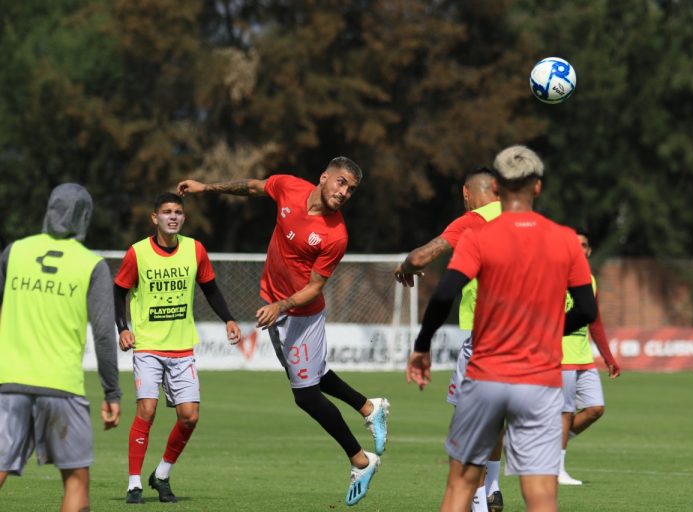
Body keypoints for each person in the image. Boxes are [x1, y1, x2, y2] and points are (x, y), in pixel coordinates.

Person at [177, 156, 390, 507]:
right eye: (341, 183)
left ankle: (361, 461)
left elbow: (315, 288)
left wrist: (281, 306)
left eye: (351, 189)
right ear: (323, 176)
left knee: (305, 395)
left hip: (301, 316)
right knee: (313, 379)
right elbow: (252, 187)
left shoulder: (335, 234)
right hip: (276, 309)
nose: (345, 192)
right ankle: (370, 407)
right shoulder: (290, 187)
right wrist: (206, 187)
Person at [406, 145, 597, 512]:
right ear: (537, 187)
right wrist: (548, 331)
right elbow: (587, 308)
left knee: (460, 486)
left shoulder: (478, 234)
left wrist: (422, 345)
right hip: (539, 379)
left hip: (486, 373)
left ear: (497, 186)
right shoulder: (563, 239)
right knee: (541, 494)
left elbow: (445, 293)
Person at [114, 192, 242, 504]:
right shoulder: (138, 253)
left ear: (184, 217)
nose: (173, 216)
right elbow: (118, 293)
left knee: (190, 417)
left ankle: (161, 475)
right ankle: (133, 484)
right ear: (154, 218)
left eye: (178, 212)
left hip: (182, 348)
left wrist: (228, 319)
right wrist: (123, 328)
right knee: (147, 409)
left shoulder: (195, 249)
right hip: (147, 347)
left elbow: (210, 289)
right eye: (167, 212)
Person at [0, 183, 122, 511]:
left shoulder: (14, 252)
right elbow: (103, 336)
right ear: (85, 217)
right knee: (76, 480)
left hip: (8, 383)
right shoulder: (91, 265)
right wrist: (112, 393)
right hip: (61, 387)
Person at [394, 167, 506, 512]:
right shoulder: (526, 218)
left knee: (468, 421)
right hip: (528, 334)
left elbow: (421, 257)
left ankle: (478, 502)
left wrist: (406, 267)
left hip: (485, 335)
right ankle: (493, 487)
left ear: (466, 194)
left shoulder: (473, 221)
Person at [558, 228, 621, 486]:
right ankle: (556, 469)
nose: (579, 249)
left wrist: (608, 356)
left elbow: (594, 321)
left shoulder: (590, 280)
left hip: (583, 356)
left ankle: (547, 446)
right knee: (564, 412)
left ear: (588, 250)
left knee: (596, 408)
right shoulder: (554, 275)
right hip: (559, 355)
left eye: (583, 245)